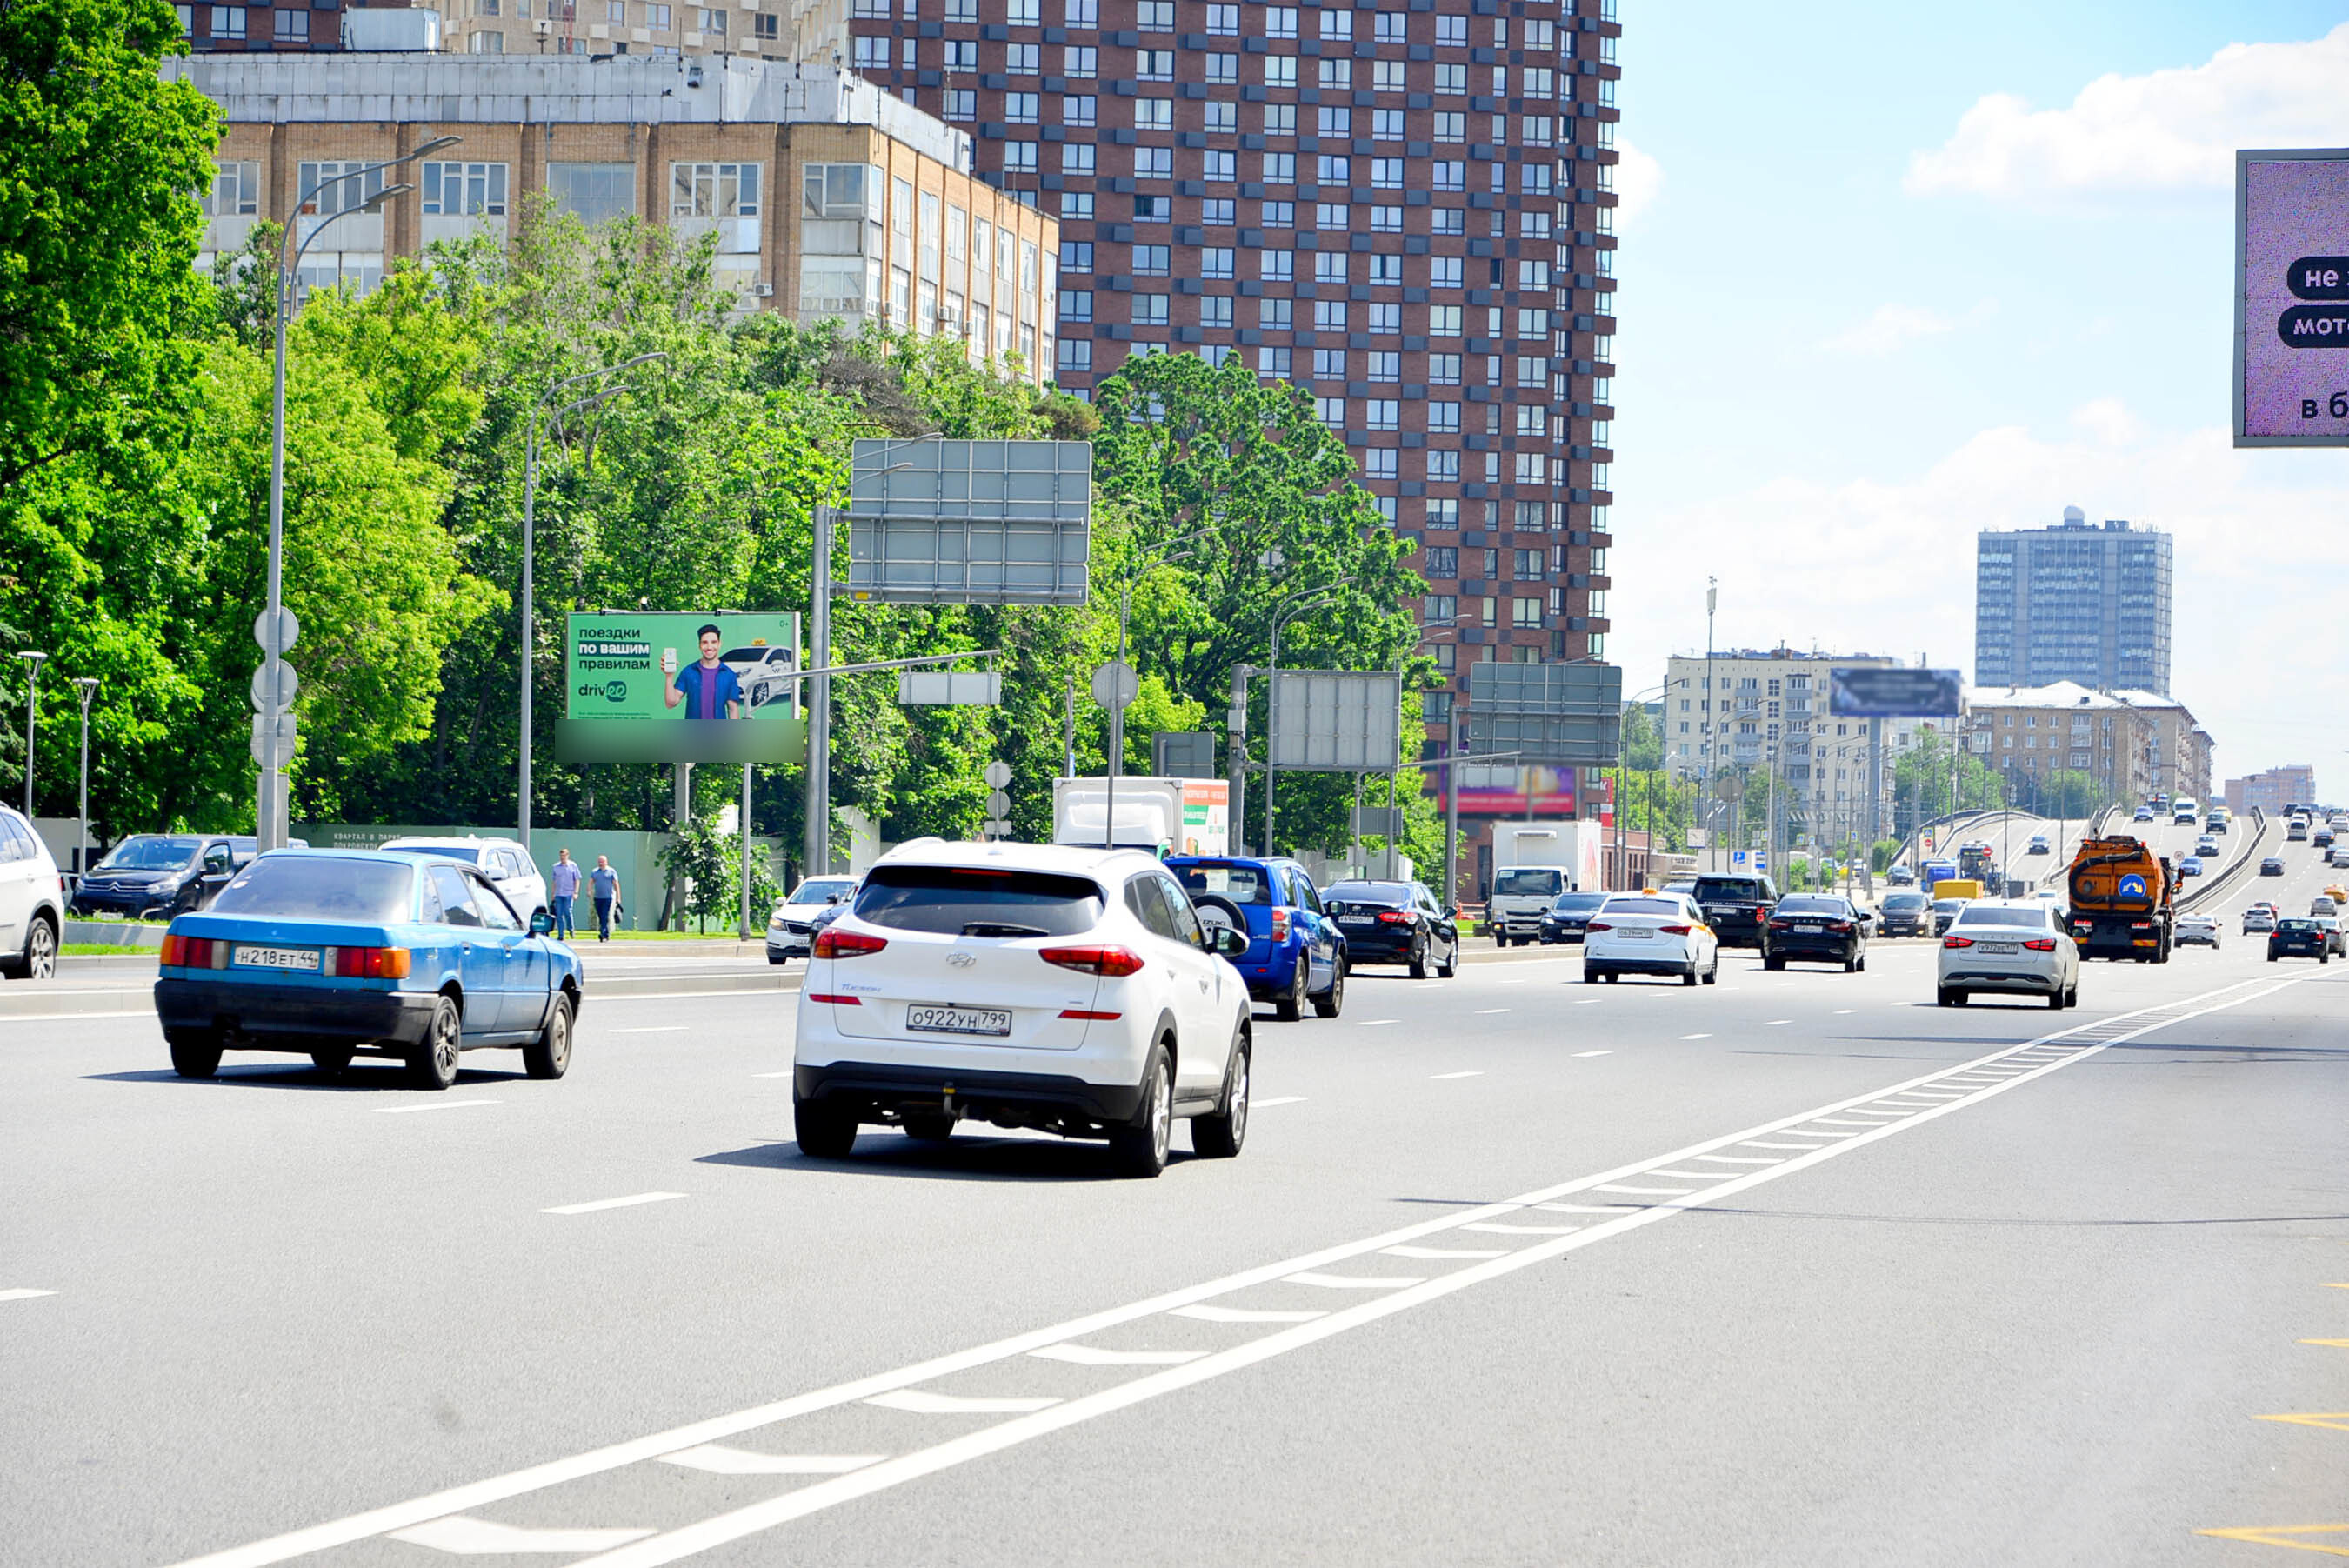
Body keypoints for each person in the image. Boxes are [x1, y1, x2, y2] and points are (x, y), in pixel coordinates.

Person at [664, 624, 744, 721]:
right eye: (705, 642)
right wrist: (669, 676)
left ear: (719, 644)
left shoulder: (729, 675)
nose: (709, 647)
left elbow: (733, 709)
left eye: (713, 642)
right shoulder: (688, 672)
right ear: (699, 645)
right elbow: (671, 703)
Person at [548, 849, 581, 941]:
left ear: (567, 855)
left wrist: (576, 892)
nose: (562, 858)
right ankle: (561, 935)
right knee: (559, 915)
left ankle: (571, 929)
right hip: (559, 894)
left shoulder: (573, 866)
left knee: (567, 912)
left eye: (564, 856)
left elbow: (577, 880)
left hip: (569, 893)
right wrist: (553, 894)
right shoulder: (556, 867)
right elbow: (554, 881)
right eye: (561, 856)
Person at [589, 855, 621, 942]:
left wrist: (618, 897)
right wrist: (589, 891)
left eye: (602, 862)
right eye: (599, 862)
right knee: (600, 916)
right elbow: (591, 882)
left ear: (606, 862)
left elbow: (616, 884)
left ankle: (602, 933)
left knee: (604, 915)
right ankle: (606, 934)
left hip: (607, 897)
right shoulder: (595, 872)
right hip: (597, 897)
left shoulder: (611, 871)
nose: (601, 863)